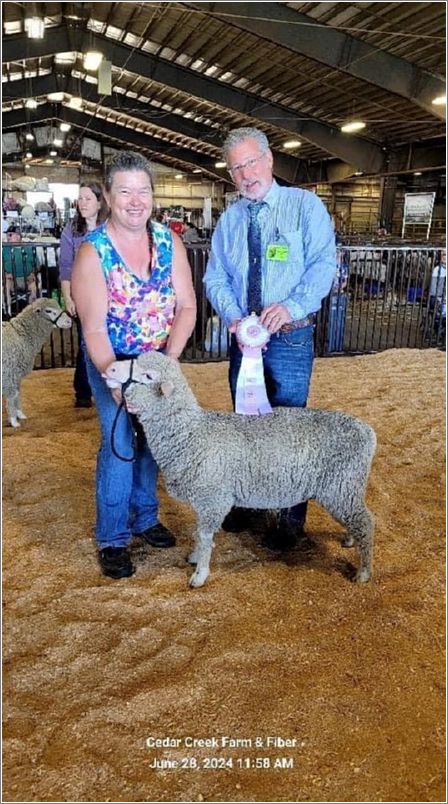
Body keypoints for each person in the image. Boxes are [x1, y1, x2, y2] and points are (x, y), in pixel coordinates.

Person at [204, 126, 336, 550]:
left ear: (269, 161)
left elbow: (322, 265)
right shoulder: (229, 218)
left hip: (292, 338)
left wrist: (292, 307)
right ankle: (250, 501)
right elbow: (215, 275)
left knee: (290, 431)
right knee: (245, 427)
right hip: (245, 341)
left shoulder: (304, 207)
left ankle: (291, 516)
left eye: (249, 163)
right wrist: (231, 313)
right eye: (235, 168)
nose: (244, 174)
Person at [71, 152, 196, 579]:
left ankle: (145, 517)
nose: (135, 200)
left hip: (157, 360)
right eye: (124, 191)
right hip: (113, 360)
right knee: (120, 444)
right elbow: (94, 332)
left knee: (153, 438)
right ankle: (113, 536)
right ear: (107, 196)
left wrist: (169, 363)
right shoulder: (93, 253)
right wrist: (116, 380)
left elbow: (187, 304)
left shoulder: (168, 241)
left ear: (154, 196)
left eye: (143, 190)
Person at [59, 182, 108, 408]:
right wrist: (68, 297)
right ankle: (83, 390)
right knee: (86, 343)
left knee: (110, 341)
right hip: (83, 297)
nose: (82, 203)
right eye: (80, 198)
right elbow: (66, 267)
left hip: (111, 296)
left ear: (100, 202)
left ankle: (110, 387)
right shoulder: (71, 231)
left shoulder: (110, 228)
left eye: (88, 198)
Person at [2, 228, 38, 317]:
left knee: (34, 287)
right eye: (7, 235)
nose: (8, 237)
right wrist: (4, 274)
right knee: (6, 286)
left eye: (10, 235)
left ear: (18, 236)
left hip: (27, 278)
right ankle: (7, 312)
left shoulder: (28, 248)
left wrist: (33, 274)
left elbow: (37, 265)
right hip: (11, 279)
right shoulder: (5, 249)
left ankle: (31, 313)